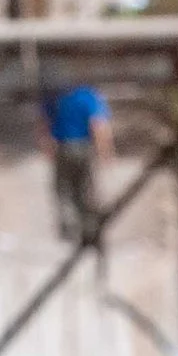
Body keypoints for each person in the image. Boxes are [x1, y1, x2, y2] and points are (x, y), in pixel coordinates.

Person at [43, 79, 111, 242]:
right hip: (84, 148)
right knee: (85, 189)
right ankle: (88, 229)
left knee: (64, 190)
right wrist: (104, 152)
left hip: (63, 147)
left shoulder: (56, 96)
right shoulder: (88, 96)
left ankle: (70, 230)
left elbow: (44, 124)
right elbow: (98, 125)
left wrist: (47, 147)